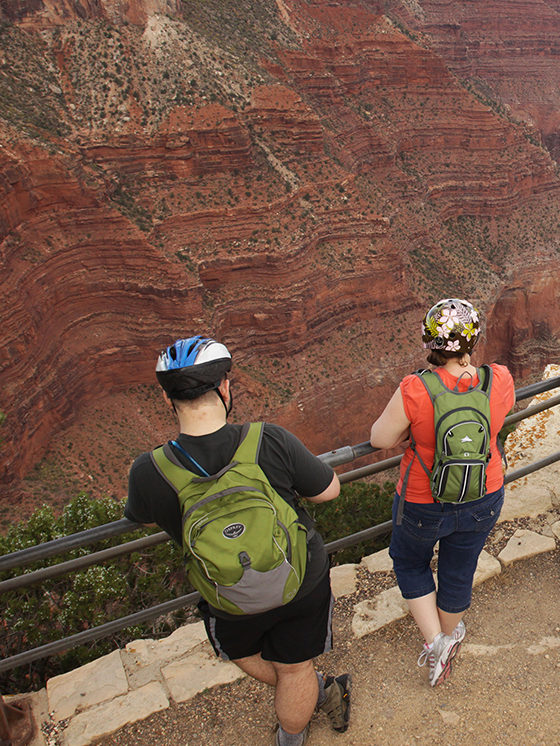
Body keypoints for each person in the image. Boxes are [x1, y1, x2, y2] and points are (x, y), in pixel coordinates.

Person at [126, 337, 350, 746]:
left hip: (227, 594)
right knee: (294, 668)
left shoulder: (147, 472)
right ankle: (298, 708)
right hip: (300, 579)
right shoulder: (271, 440)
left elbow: (141, 518)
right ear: (225, 388)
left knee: (242, 654)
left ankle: (307, 684)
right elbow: (328, 490)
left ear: (166, 398)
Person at [370, 298, 515, 687]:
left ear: (428, 342)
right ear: (473, 339)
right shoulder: (498, 378)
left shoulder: (416, 388)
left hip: (423, 499)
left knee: (409, 561)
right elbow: (498, 420)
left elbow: (379, 437)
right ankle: (450, 637)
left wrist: (412, 431)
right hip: (484, 493)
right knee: (458, 570)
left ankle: (436, 642)